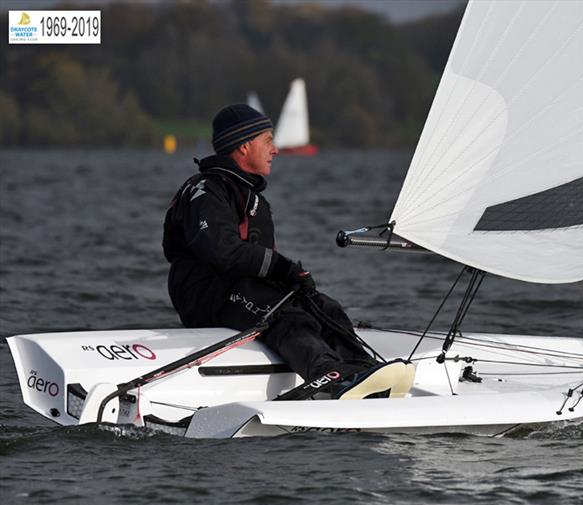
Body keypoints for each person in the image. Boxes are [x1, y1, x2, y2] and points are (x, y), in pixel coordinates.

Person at [162, 104, 409, 398]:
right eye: (267, 141)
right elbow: (222, 250)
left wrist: (290, 280)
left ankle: (364, 372)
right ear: (243, 147)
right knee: (282, 312)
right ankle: (330, 379)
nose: (275, 149)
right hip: (206, 295)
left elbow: (254, 263)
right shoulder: (207, 190)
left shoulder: (248, 193)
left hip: (240, 290)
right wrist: (283, 269)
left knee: (322, 306)